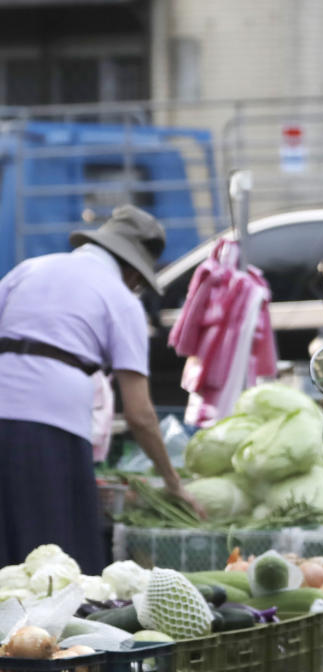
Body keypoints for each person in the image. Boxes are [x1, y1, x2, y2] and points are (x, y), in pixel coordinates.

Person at [0, 205, 202, 573]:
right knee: (55, 555)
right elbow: (140, 415)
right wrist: (173, 482)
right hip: (52, 423)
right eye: (139, 280)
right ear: (131, 271)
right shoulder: (121, 299)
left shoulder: (30, 268)